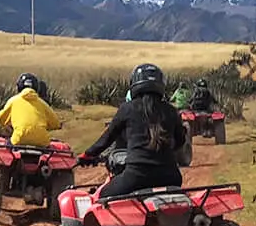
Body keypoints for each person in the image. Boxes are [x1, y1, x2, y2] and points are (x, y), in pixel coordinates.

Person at [78, 63, 186, 199]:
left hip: (136, 177)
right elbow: (180, 140)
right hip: (171, 178)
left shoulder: (127, 108)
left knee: (102, 197)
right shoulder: (171, 111)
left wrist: (87, 155)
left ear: (134, 84)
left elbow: (107, 139)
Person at [0, 72, 60, 148]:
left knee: (7, 146)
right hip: (42, 141)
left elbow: (0, 119)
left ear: (19, 87)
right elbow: (56, 124)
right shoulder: (43, 104)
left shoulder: (13, 101)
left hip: (19, 140)